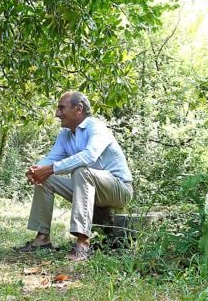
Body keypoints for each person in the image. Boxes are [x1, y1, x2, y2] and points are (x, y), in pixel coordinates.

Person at [19, 91, 133, 261]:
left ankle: (83, 242)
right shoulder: (65, 134)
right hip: (88, 187)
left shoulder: (96, 127)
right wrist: (37, 170)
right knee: (46, 178)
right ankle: (42, 238)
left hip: (119, 189)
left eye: (61, 108)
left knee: (81, 170)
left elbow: (89, 156)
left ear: (78, 109)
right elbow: (51, 159)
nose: (57, 114)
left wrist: (50, 168)